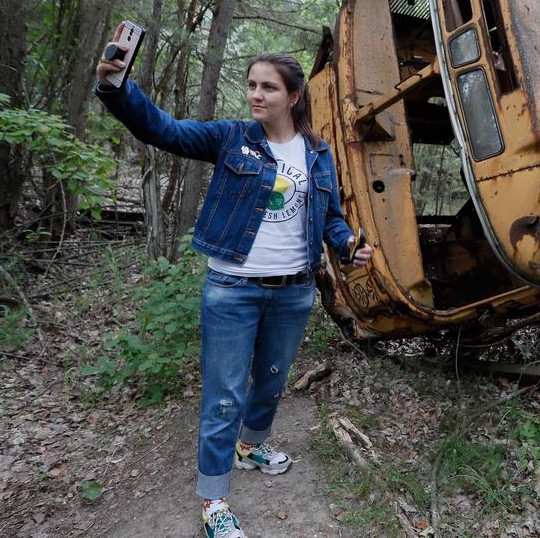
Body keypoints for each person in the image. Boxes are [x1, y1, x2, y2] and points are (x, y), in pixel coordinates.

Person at [95, 41, 372, 538]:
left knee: (270, 380)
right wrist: (117, 86)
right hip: (232, 288)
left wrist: (349, 243)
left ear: (293, 96)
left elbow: (330, 219)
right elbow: (165, 130)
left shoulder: (317, 152)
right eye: (251, 85)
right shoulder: (230, 138)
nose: (255, 95)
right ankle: (214, 500)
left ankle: (251, 447)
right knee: (224, 396)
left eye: (268, 87)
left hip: (294, 290)